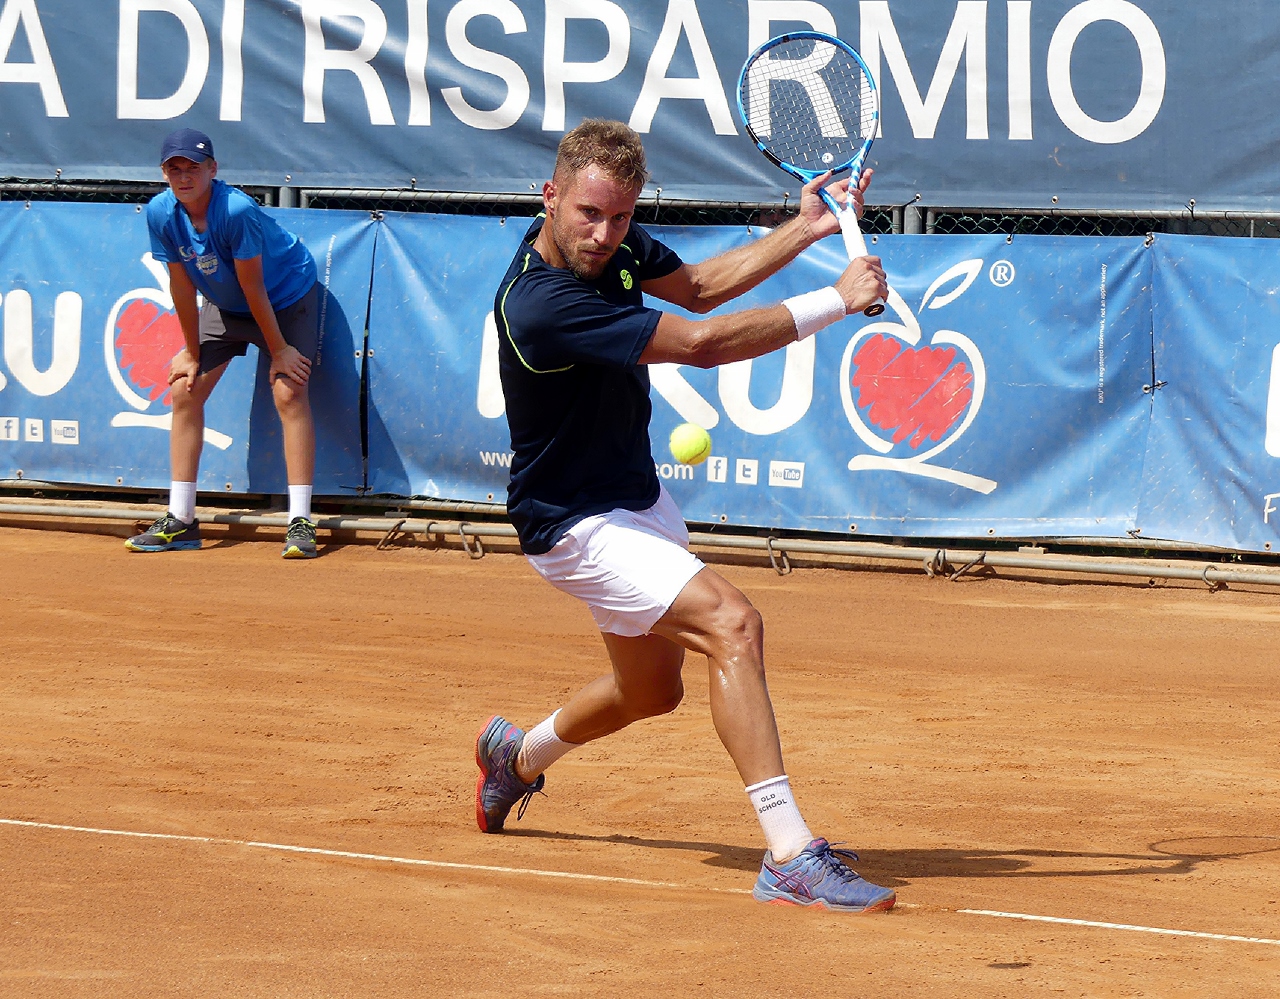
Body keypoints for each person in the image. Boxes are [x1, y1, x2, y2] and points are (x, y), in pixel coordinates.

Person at [476, 120, 894, 912]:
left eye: (621, 217)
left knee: (649, 691)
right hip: (572, 522)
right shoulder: (539, 303)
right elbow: (699, 341)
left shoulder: (614, 245)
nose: (604, 234)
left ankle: (516, 757)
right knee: (733, 624)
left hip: (636, 500)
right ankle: (790, 854)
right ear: (550, 196)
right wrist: (834, 301)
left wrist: (805, 228)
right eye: (588, 214)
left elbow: (697, 287)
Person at [125, 127, 321, 559]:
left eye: (193, 168)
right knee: (184, 388)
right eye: (174, 169)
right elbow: (181, 285)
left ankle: (300, 520)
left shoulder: (235, 210)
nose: (183, 177)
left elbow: (254, 287)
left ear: (212, 169)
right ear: (164, 173)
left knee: (289, 391)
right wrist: (191, 351)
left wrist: (280, 350)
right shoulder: (160, 212)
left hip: (285, 297)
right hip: (224, 302)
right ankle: (181, 519)